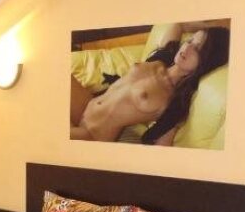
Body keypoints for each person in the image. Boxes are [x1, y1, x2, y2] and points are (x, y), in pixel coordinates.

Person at [70, 25, 230, 145]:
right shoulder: (163, 57)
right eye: (189, 41)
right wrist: (211, 26)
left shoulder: (176, 100)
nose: (187, 47)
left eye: (197, 49)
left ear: (207, 61)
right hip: (87, 105)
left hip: (93, 135)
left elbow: (160, 148)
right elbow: (178, 25)